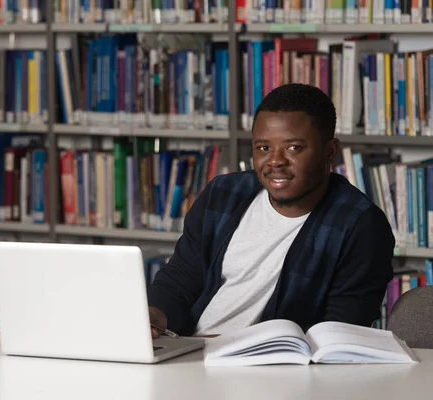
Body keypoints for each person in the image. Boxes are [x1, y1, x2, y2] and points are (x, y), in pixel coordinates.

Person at [147, 83, 395, 339]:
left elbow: (341, 331)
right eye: (264, 148)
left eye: (293, 148)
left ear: (330, 151)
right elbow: (181, 278)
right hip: (192, 355)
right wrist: (155, 316)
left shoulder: (360, 226)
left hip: (278, 369)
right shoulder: (222, 195)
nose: (275, 160)